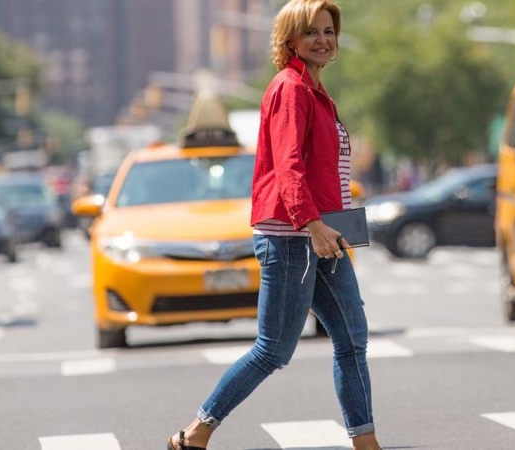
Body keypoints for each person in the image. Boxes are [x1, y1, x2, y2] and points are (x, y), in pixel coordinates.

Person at [166, 1, 383, 449]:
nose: (323, 39)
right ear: (290, 41)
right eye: (312, 32)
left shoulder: (317, 91)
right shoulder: (291, 88)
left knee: (351, 338)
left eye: (329, 30)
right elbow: (287, 167)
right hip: (293, 239)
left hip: (323, 237)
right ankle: (196, 432)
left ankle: (365, 443)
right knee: (273, 351)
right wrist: (312, 224)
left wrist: (329, 225)